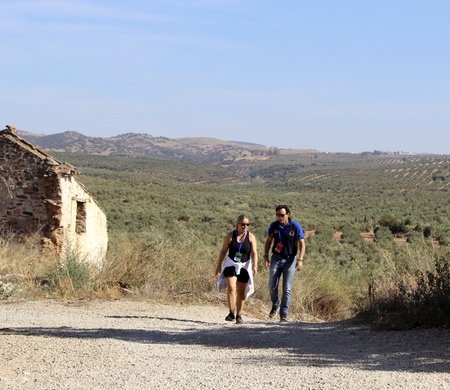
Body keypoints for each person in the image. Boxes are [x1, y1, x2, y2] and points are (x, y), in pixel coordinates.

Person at [263, 205, 305, 322]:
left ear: (288, 214)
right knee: (272, 285)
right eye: (278, 215)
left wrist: (300, 260)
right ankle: (275, 304)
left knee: (287, 288)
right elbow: (268, 241)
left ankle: (284, 314)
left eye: (282, 215)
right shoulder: (274, 226)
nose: (280, 217)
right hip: (276, 258)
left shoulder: (295, 226)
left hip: (290, 260)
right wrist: (265, 256)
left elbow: (302, 243)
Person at [216, 214, 258, 324]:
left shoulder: (251, 237)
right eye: (243, 224)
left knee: (241, 291)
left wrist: (255, 266)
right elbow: (223, 251)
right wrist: (219, 265)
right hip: (231, 264)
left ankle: (239, 315)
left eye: (247, 224)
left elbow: (254, 252)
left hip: (244, 265)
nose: (245, 226)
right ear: (237, 224)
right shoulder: (230, 236)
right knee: (231, 286)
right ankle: (231, 312)